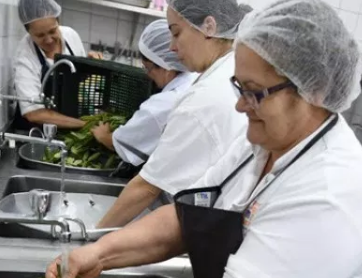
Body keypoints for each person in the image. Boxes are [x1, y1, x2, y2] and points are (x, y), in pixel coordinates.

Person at [38, 1, 362, 278]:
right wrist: (101, 251)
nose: (241, 106)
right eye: (239, 87)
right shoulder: (263, 142)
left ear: (310, 93)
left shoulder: (333, 192)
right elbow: (194, 215)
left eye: (253, 92)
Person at [94, 0, 250, 228]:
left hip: (210, 226)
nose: (171, 47)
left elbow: (146, 188)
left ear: (209, 27)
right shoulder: (231, 70)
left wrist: (90, 239)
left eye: (176, 33)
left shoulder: (205, 98)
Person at [91, 19, 197, 167]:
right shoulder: (193, 79)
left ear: (166, 67)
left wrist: (103, 136)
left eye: (148, 68)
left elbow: (124, 146)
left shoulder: (162, 105)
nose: (148, 75)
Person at [12, 0, 101, 129]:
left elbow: (79, 81)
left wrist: (90, 65)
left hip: (69, 126)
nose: (48, 40)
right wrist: (86, 125)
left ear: (58, 21)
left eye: (53, 31)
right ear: (29, 32)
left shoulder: (71, 36)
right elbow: (33, 114)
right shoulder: (25, 56)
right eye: (40, 35)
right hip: (35, 133)